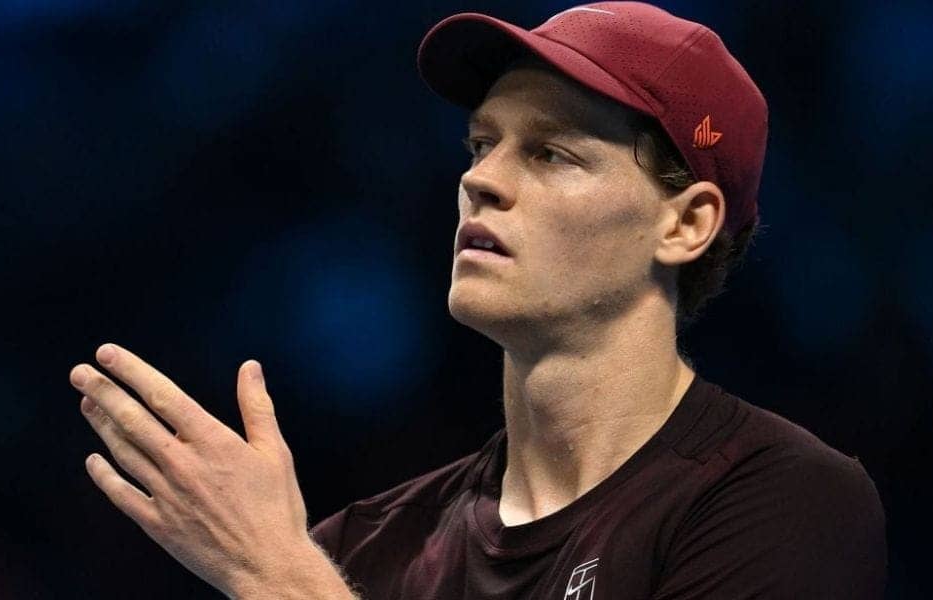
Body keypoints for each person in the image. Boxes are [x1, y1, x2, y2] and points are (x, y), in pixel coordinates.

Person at [70, 3, 886, 598]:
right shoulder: (362, 551)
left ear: (685, 223)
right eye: (482, 143)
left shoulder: (785, 500)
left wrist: (278, 579)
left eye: (551, 152)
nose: (480, 180)